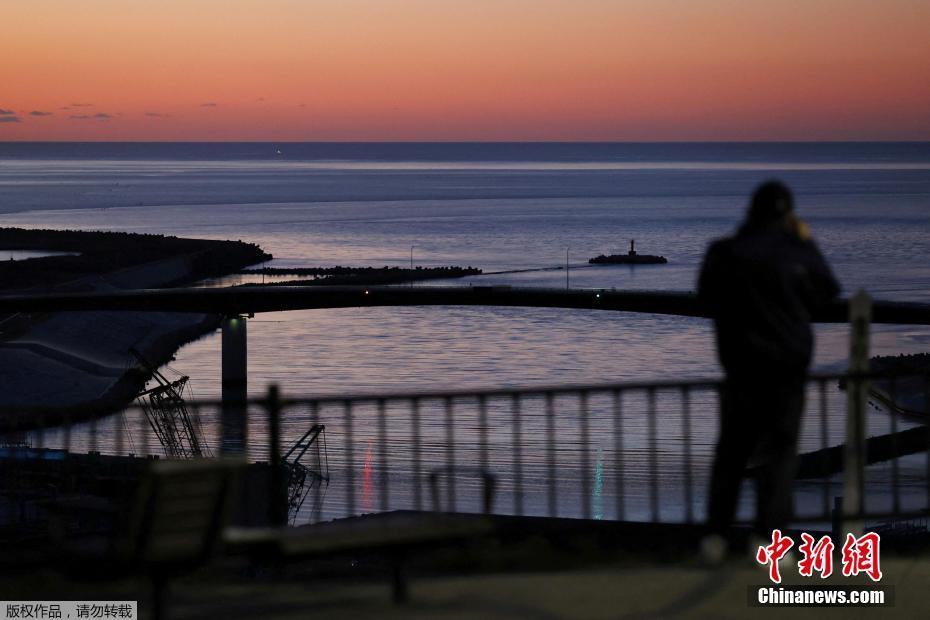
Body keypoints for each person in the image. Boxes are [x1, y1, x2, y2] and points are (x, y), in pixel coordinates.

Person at [697, 180, 840, 560]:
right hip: (786, 372)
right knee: (778, 458)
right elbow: (827, 292)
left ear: (750, 212)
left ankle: (715, 538)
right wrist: (805, 241)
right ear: (788, 216)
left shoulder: (725, 251)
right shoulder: (798, 252)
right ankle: (769, 541)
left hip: (741, 368)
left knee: (731, 454)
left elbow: (706, 295)